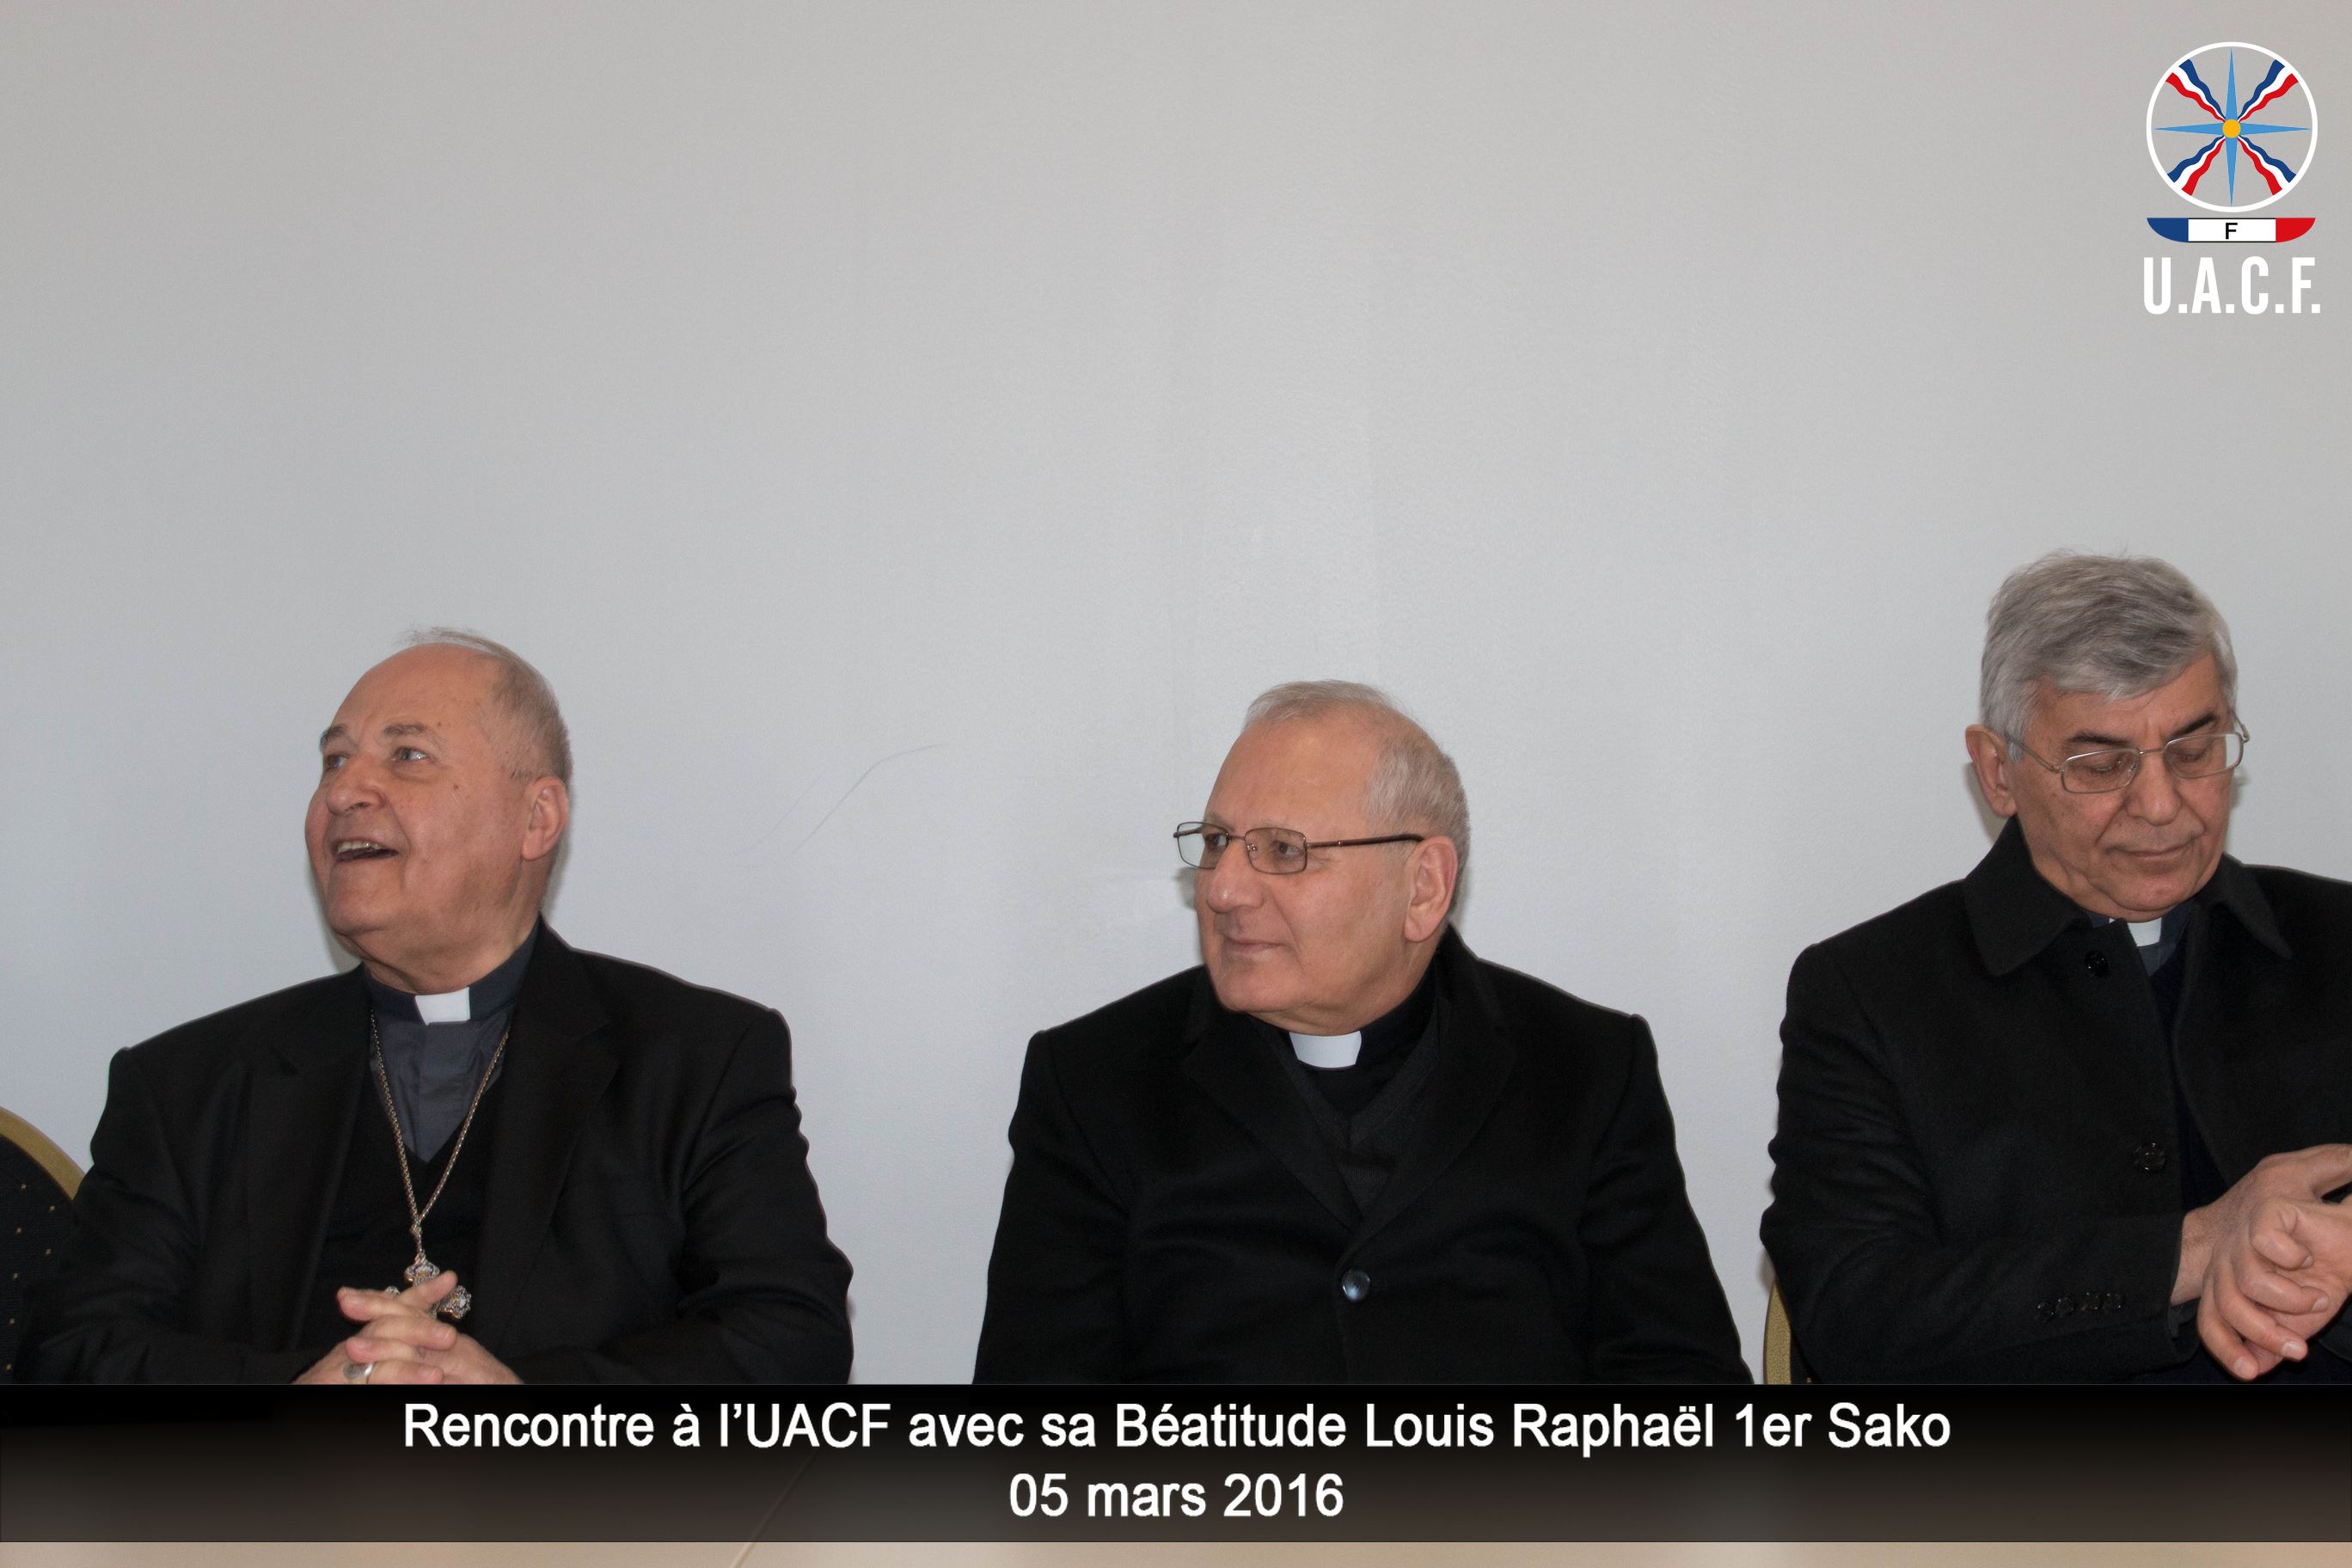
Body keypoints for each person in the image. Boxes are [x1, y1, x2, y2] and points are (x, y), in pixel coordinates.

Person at [22, 632, 852, 1383]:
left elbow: (791, 1338)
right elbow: (70, 1352)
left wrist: (526, 1412)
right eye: (333, 762)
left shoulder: (699, 1059)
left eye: (408, 755)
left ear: (536, 818)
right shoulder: (184, 1086)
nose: (346, 791)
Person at [975, 681, 1748, 1381]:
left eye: (1283, 850)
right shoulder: (1093, 1084)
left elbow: (1683, 1387)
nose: (1224, 889)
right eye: (1215, 843)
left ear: (1423, 888)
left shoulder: (1586, 1071)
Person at [1762, 553, 2352, 1381]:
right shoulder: (1871, 992)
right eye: (2102, 766)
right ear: (1998, 772)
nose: (2161, 805)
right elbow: (1854, 1317)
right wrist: (2189, 1252)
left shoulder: (2339, 938)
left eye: (2193, 750)